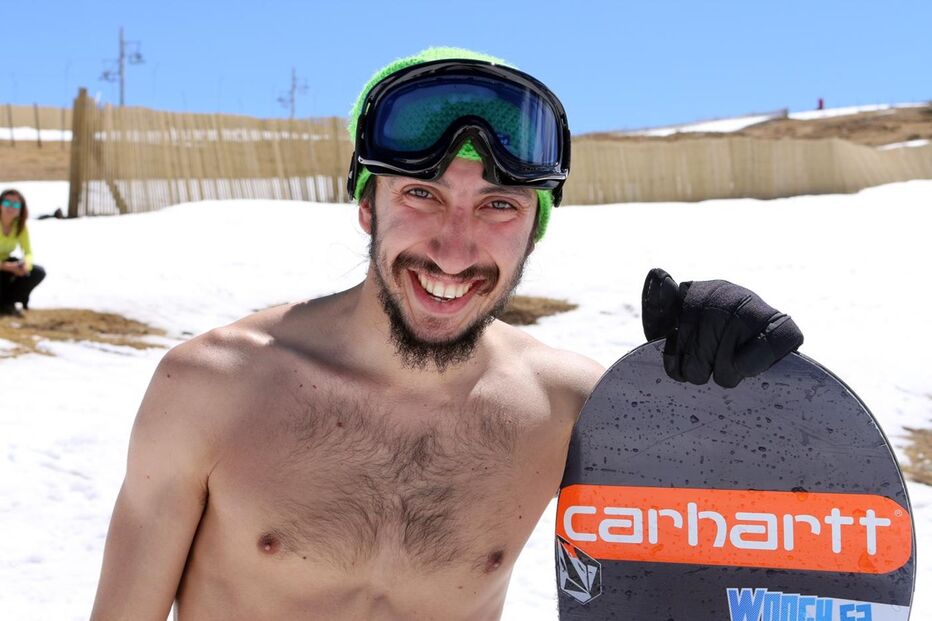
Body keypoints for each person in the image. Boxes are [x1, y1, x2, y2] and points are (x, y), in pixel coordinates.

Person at [90, 48, 802, 620]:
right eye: (422, 194)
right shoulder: (212, 386)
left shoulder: (572, 409)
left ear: (533, 231)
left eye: (498, 204)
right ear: (368, 206)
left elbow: (742, 552)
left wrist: (723, 388)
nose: (454, 250)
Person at [0, 188, 46, 316]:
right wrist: (8, 267)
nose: (11, 208)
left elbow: (28, 252)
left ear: (21, 209)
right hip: (4, 266)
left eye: (15, 204)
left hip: (6, 264)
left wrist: (26, 265)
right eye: (7, 203)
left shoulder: (19, 226)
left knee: (37, 272)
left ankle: (8, 303)